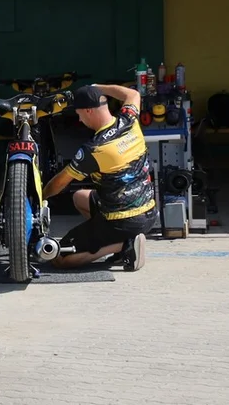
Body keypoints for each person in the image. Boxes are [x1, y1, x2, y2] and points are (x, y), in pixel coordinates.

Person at [42, 84, 155, 272]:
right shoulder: (129, 120)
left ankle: (124, 245)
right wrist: (97, 88)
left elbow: (60, 183)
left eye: (79, 114)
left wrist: (40, 196)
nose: (79, 119)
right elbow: (132, 93)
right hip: (149, 212)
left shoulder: (95, 149)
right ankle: (111, 240)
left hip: (123, 221)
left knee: (59, 258)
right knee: (79, 197)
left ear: (88, 111)